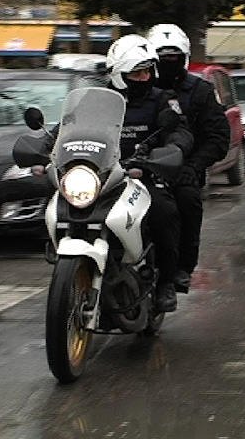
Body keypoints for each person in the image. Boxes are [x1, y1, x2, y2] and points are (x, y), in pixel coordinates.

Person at [43, 35, 193, 312]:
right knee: (55, 196)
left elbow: (179, 130)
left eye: (148, 71)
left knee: (164, 211)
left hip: (140, 174)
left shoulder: (162, 100)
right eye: (137, 73)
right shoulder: (92, 100)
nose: (144, 78)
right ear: (118, 75)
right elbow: (63, 129)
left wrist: (172, 149)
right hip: (98, 174)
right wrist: (44, 147)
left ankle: (166, 283)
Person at [146, 24, 230, 294]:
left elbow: (218, 137)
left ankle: (180, 269)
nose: (168, 63)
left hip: (181, 168)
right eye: (163, 58)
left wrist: (193, 166)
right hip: (135, 166)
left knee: (187, 201)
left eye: (174, 57)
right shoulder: (136, 88)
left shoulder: (200, 91)